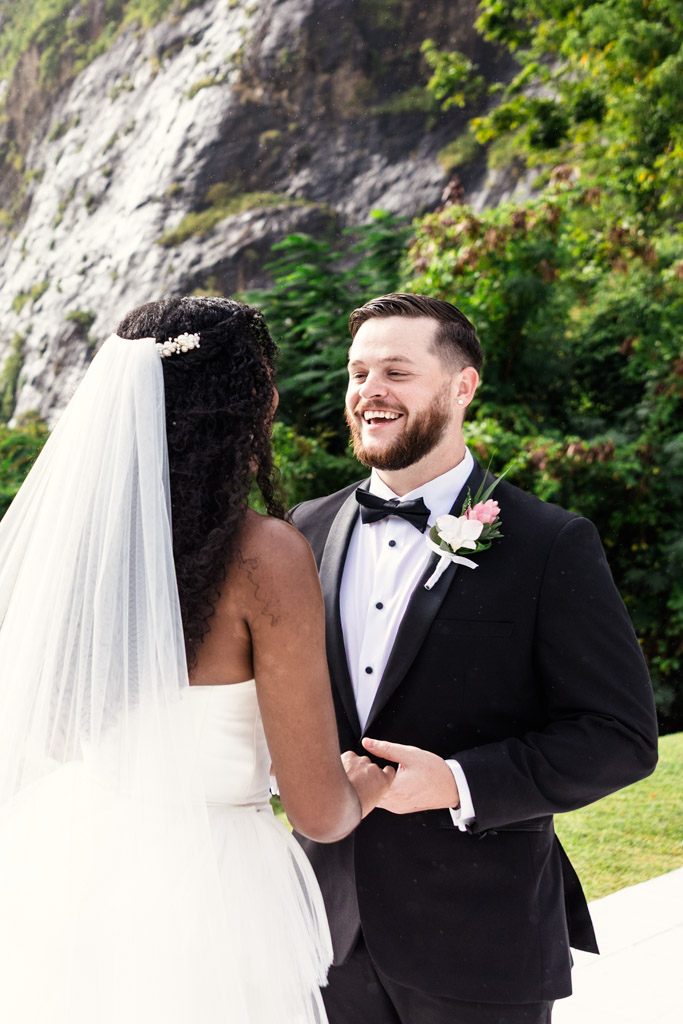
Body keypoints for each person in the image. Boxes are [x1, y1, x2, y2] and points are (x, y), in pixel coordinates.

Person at [0, 295, 393, 1023]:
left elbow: (53, 730)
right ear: (250, 403)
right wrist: (362, 786)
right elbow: (317, 810)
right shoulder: (264, 557)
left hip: (75, 862)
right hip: (212, 890)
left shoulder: (77, 551)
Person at [292, 292, 659, 1024]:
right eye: (358, 372)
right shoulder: (306, 528)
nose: (369, 392)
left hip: (480, 946)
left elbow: (620, 738)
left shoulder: (548, 542)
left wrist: (458, 783)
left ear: (462, 387)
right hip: (325, 938)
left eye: (396, 371)